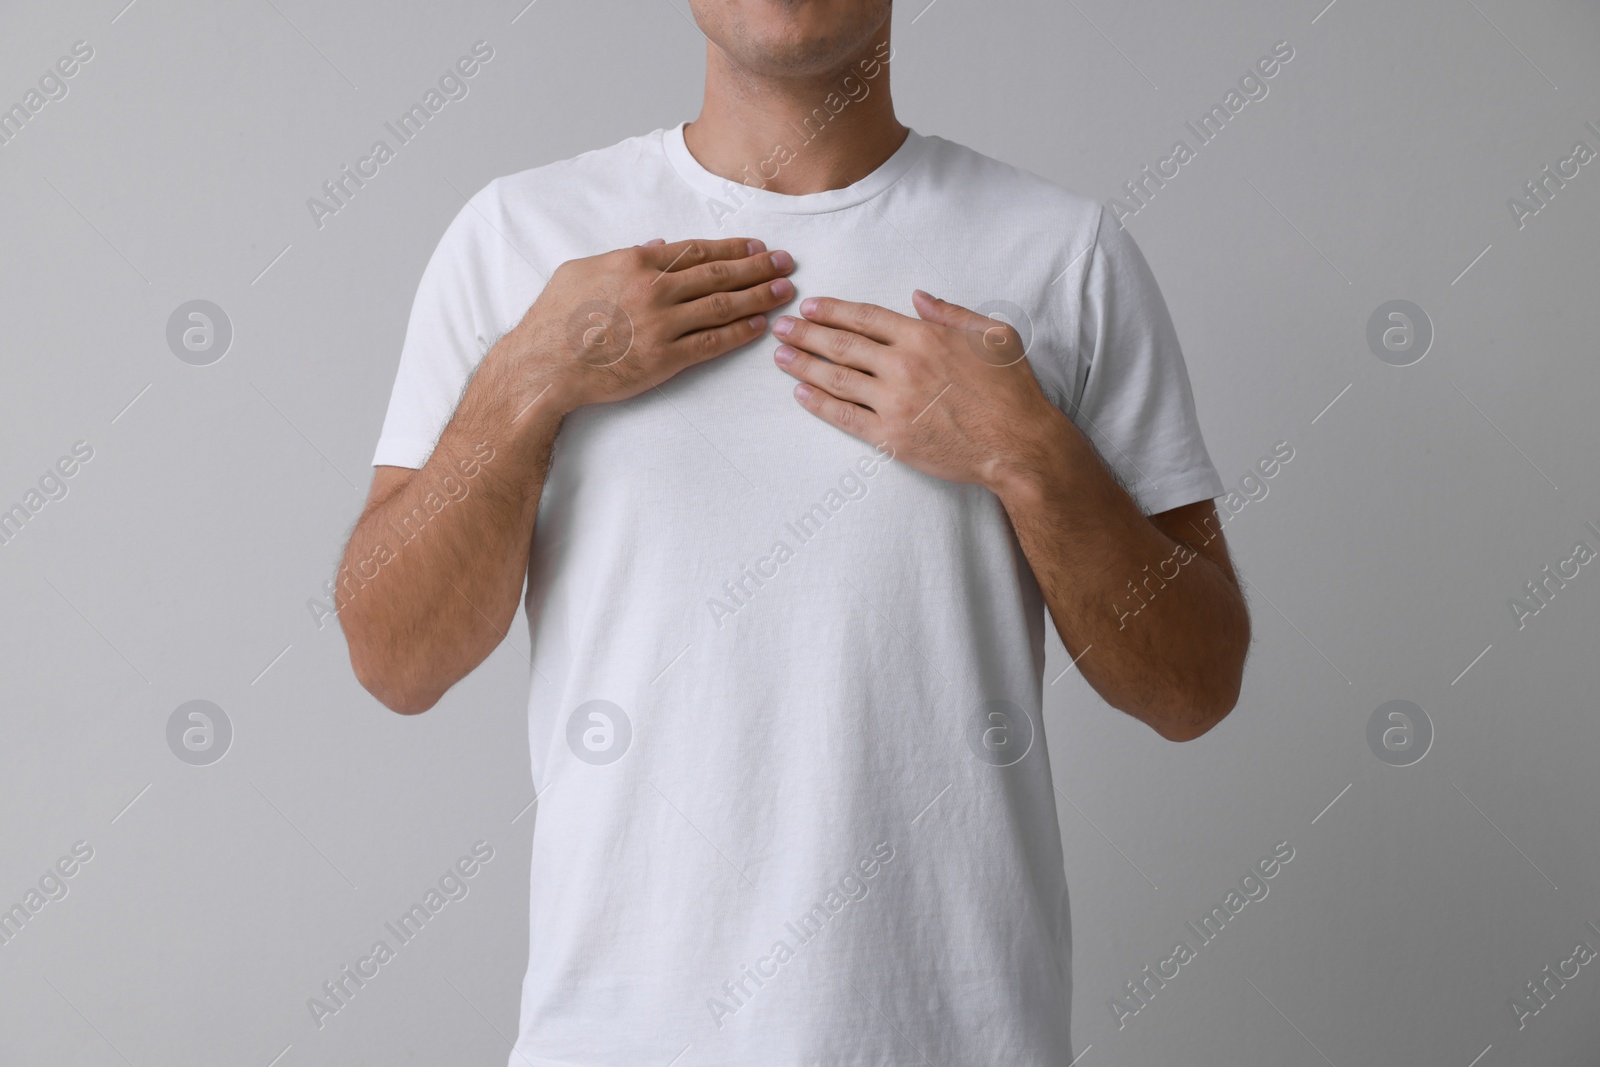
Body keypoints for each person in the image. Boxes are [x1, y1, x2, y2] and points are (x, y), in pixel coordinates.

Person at [337, 2, 1251, 1062]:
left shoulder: (1062, 252)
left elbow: (1191, 687)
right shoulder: (516, 240)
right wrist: (526, 383)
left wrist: (1028, 455)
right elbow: (396, 659)